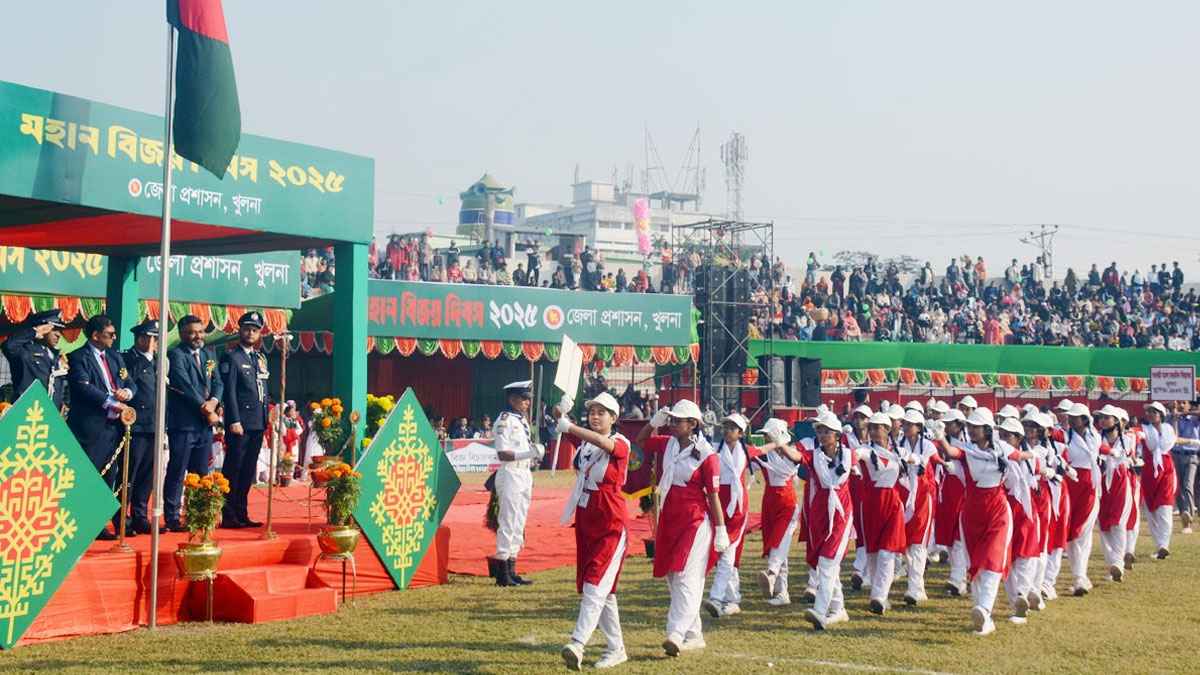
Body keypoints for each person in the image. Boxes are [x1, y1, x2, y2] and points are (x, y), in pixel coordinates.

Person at [635, 399, 727, 657]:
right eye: (672, 420)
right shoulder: (668, 444)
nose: (673, 424)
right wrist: (653, 422)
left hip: (695, 520)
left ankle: (675, 633)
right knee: (673, 576)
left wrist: (720, 529)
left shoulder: (708, 456)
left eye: (678, 420)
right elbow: (641, 443)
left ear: (693, 424)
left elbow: (713, 496)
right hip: (670, 516)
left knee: (687, 575)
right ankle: (694, 633)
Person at [934, 408, 1033, 635]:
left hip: (998, 511)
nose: (971, 430)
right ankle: (982, 614)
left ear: (988, 429)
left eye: (976, 426)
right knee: (976, 563)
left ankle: (984, 609)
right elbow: (950, 451)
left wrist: (1038, 454)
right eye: (969, 426)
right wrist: (940, 437)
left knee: (992, 558)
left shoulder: (1002, 448)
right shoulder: (966, 449)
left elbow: (1020, 456)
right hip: (971, 514)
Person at [557, 392, 629, 671]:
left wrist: (571, 427)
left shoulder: (621, 443)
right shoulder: (585, 446)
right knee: (602, 590)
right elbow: (563, 425)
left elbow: (602, 442)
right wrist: (560, 410)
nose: (595, 416)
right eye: (592, 412)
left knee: (595, 584)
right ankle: (616, 648)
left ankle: (577, 642)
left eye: (602, 412)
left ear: (614, 418)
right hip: (587, 519)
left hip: (610, 520)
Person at [66, 315, 135, 540]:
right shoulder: (78, 357)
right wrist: (112, 402)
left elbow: (129, 382)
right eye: (110, 334)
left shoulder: (115, 357)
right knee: (90, 475)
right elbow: (83, 387)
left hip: (113, 427)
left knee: (109, 476)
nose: (114, 338)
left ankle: (99, 523)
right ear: (95, 335)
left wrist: (127, 393)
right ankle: (83, 522)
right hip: (90, 426)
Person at [165, 315, 225, 531]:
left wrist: (214, 402)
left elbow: (218, 381)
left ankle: (197, 514)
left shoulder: (209, 353)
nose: (197, 336)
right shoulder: (176, 355)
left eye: (200, 331)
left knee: (201, 472)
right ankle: (172, 517)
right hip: (183, 424)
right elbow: (185, 385)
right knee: (178, 470)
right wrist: (205, 408)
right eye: (192, 332)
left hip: (204, 426)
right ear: (182, 334)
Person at [798, 410, 854, 630]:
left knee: (828, 562)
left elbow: (869, 455)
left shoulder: (850, 454)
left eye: (826, 431)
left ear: (837, 434)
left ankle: (820, 611)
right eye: (819, 431)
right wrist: (779, 444)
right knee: (826, 563)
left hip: (841, 515)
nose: (822, 435)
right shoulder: (814, 455)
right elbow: (797, 457)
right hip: (821, 514)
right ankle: (838, 608)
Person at [220, 311, 271, 529]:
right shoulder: (232, 357)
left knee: (249, 469)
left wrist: (266, 418)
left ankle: (242, 512)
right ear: (240, 330)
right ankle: (229, 514)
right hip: (240, 422)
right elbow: (229, 392)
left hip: (258, 422)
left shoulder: (259, 358)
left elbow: (263, 389)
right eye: (247, 329)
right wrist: (233, 419)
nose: (250, 333)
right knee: (235, 468)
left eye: (255, 330)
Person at [854, 412, 908, 615]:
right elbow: (857, 454)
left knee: (888, 551)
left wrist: (915, 461)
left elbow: (914, 460)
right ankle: (878, 595)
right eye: (872, 427)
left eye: (879, 427)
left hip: (892, 503)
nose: (875, 431)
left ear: (888, 430)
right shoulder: (867, 451)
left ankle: (879, 595)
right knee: (873, 553)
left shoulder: (899, 452)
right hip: (871, 505)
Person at [491, 380, 544, 586]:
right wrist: (528, 452)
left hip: (523, 473)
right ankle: (502, 570)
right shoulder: (504, 420)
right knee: (508, 521)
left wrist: (531, 456)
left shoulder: (520, 420)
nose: (527, 403)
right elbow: (503, 454)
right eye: (523, 399)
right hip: (511, 473)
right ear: (512, 399)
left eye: (528, 399)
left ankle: (512, 568)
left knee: (519, 521)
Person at [703, 413, 754, 618]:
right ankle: (732, 598)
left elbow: (767, 449)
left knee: (728, 552)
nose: (727, 431)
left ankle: (716, 597)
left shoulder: (747, 452)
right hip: (718, 504)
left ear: (740, 433)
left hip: (738, 507)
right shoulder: (714, 450)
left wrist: (778, 443)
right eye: (725, 427)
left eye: (732, 428)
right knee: (722, 553)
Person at [751, 418, 803, 607]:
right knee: (781, 547)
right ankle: (783, 592)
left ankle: (772, 574)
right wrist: (772, 445)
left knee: (779, 543)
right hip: (769, 502)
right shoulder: (766, 455)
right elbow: (750, 456)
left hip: (787, 502)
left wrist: (780, 443)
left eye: (768, 435)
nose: (765, 438)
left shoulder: (792, 452)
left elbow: (797, 458)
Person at [122, 319, 160, 535]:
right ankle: (122, 516)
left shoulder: (159, 361)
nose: (153, 342)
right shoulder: (129, 360)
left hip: (155, 424)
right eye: (149, 338)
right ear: (140, 339)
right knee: (130, 473)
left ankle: (140, 514)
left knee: (147, 474)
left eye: (155, 338)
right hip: (136, 424)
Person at [897, 409, 936, 606]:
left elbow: (924, 462)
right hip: (905, 497)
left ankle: (914, 588)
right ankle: (917, 587)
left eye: (910, 424)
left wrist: (910, 458)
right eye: (904, 423)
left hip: (922, 498)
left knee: (918, 544)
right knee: (905, 544)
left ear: (919, 427)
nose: (906, 426)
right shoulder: (898, 445)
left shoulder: (928, 445)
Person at [1063, 403, 1102, 595]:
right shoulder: (1064, 435)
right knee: (1070, 533)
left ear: (1085, 419)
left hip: (1089, 485)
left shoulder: (1095, 435)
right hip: (1071, 483)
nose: (1070, 419)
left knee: (1082, 531)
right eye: (1070, 416)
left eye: (1075, 417)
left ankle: (1080, 576)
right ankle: (1080, 576)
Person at [1094, 405, 1134, 583]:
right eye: (1101, 417)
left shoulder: (1128, 438)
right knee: (1103, 524)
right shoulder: (1096, 437)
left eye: (1106, 417)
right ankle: (1112, 562)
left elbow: (1124, 455)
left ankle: (1117, 562)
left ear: (1116, 421)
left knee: (1118, 523)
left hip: (1120, 481)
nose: (1102, 420)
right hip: (1101, 482)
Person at [2, 308, 69, 411]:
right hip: (27, 411)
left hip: (51, 413)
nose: (58, 334)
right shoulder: (25, 351)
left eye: (60, 330)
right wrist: (33, 332)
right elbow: (8, 346)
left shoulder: (55, 355)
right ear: (42, 328)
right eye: (54, 329)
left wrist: (63, 402)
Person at [934, 409, 970, 596]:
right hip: (947, 490)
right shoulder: (942, 439)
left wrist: (942, 440)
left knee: (959, 538)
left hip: (964, 491)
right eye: (946, 423)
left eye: (951, 423)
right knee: (949, 537)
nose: (948, 426)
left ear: (960, 424)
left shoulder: (968, 443)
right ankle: (960, 578)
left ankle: (957, 579)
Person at [1140, 402, 1176, 558]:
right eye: (1149, 412)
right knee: (1151, 509)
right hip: (1149, 471)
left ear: (1161, 415)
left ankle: (1164, 544)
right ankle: (1158, 544)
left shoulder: (1169, 430)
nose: (1151, 415)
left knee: (1165, 506)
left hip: (1166, 470)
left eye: (1154, 412)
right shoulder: (1144, 430)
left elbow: (1174, 440)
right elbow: (1137, 435)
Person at [1171, 401, 1199, 533]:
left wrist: (1184, 413)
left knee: (1188, 485)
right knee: (1178, 487)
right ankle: (1184, 515)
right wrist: (1175, 417)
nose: (1181, 405)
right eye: (1179, 403)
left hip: (1191, 456)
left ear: (1188, 405)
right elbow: (1174, 438)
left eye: (1184, 403)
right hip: (1176, 455)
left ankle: (1190, 515)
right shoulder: (1172, 418)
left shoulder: (1194, 418)